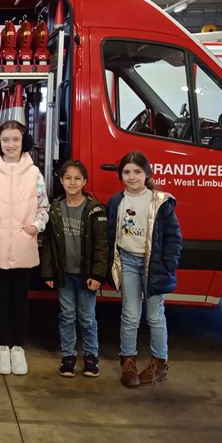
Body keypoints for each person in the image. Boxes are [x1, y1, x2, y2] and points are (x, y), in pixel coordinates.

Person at [107, 151, 182, 388]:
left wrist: (167, 266)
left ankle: (159, 364)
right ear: (121, 175)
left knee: (154, 316)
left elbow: (173, 238)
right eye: (127, 172)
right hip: (127, 262)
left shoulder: (160, 201)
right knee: (129, 315)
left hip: (154, 267)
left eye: (137, 172)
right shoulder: (117, 202)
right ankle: (128, 362)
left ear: (147, 173)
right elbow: (111, 234)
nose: (132, 177)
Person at [0, 120, 48, 376]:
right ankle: (2, 347)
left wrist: (35, 227)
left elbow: (44, 206)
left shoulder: (34, 173)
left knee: (20, 300)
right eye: (5, 140)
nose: (10, 145)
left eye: (15, 140)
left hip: (23, 244)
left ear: (24, 142)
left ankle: (18, 347)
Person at [40, 160, 108, 379]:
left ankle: (90, 357)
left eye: (77, 178)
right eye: (67, 178)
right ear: (60, 181)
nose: (72, 182)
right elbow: (49, 243)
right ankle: (68, 356)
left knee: (87, 317)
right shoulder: (55, 208)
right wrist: (48, 271)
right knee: (67, 316)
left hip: (86, 275)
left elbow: (101, 245)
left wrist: (98, 274)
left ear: (85, 181)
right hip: (64, 274)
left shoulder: (95, 209)